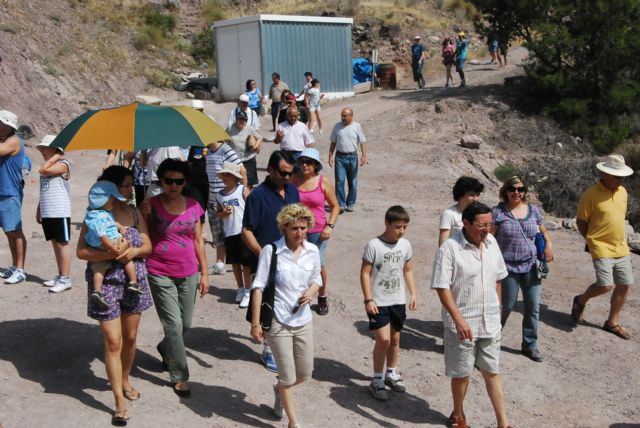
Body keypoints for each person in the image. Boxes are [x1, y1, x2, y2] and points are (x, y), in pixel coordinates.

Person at [77, 165, 153, 426]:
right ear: (111, 189)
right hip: (106, 282)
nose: (131, 189)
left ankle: (124, 378)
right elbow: (81, 252)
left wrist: (132, 253)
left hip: (133, 281)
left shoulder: (134, 212)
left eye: (132, 184)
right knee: (113, 340)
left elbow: (148, 245)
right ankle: (119, 401)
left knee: (130, 338)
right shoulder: (95, 215)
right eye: (126, 185)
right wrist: (109, 254)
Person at [431, 202, 511, 428]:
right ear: (465, 223)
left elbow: (498, 278)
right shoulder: (449, 249)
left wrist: (498, 308)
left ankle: (503, 423)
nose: (487, 229)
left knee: (492, 372)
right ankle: (458, 413)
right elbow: (441, 287)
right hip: (463, 324)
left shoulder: (492, 242)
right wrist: (458, 319)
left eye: (490, 224)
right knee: (462, 374)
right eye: (482, 225)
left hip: (490, 322)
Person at [249, 203, 322, 427]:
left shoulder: (313, 251)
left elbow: (317, 280)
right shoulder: (271, 251)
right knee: (288, 377)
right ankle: (293, 421)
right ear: (284, 228)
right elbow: (258, 286)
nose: (299, 233)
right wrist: (255, 323)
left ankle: (279, 388)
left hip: (303, 320)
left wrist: (310, 293)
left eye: (303, 228)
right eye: (294, 228)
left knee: (305, 374)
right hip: (279, 320)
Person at [144, 158, 209, 397]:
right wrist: (141, 213)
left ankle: (165, 347)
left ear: (185, 182)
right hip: (159, 271)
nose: (173, 185)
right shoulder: (150, 205)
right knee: (173, 325)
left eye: (178, 181)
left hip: (189, 272)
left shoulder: (194, 206)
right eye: (168, 181)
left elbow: (198, 240)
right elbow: (139, 233)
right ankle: (180, 375)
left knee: (186, 324)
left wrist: (204, 273)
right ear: (160, 181)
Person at [242, 150, 300, 372]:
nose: (288, 177)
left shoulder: (293, 191)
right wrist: (263, 255)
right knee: (268, 305)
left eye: (291, 173)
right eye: (284, 173)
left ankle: (284, 342)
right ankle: (268, 347)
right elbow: (246, 231)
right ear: (271, 170)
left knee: (289, 302)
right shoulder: (257, 196)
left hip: (292, 260)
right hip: (267, 261)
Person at [572, 155, 635, 340]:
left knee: (624, 285)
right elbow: (581, 221)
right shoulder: (590, 194)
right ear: (605, 173)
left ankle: (612, 322)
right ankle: (580, 300)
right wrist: (591, 241)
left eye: (622, 177)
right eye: (617, 176)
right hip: (600, 246)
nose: (620, 180)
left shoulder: (622, 192)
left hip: (620, 246)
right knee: (605, 285)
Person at [492, 176, 554, 362]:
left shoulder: (533, 211)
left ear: (525, 191)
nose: (516, 192)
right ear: (506, 191)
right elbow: (489, 238)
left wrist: (549, 243)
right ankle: (491, 341)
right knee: (506, 306)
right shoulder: (497, 212)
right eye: (512, 189)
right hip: (507, 267)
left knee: (533, 307)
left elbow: (543, 231)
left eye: (520, 189)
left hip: (531, 266)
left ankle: (530, 345)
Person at [360, 205, 417, 400]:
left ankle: (391, 373)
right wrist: (368, 299)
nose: (401, 231)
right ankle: (377, 379)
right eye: (397, 227)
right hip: (378, 301)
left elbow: (407, 270)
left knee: (395, 340)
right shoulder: (374, 245)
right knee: (383, 340)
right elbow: (365, 273)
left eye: (404, 227)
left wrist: (413, 293)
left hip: (398, 300)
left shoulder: (405, 245)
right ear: (387, 223)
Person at [293, 148, 340, 315]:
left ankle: (322, 296)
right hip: (296, 230)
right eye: (302, 162)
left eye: (309, 162)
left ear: (316, 165)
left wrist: (330, 225)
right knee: (297, 263)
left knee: (318, 265)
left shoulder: (323, 181)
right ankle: (301, 295)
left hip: (318, 230)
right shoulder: (294, 180)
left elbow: (335, 206)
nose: (305, 165)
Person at [84, 181, 143, 310]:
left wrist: (120, 226)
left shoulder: (93, 213)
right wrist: (112, 248)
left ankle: (97, 291)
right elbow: (103, 235)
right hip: (110, 242)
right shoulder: (101, 216)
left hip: (96, 246)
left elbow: (111, 223)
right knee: (127, 258)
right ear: (105, 200)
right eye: (113, 200)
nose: (115, 203)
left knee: (99, 268)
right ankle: (133, 282)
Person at [36, 134, 72, 292]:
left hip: (60, 210)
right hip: (48, 210)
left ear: (55, 150)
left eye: (45, 148)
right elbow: (44, 190)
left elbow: (43, 170)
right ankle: (60, 275)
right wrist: (39, 209)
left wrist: (57, 156)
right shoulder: (48, 167)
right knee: (55, 243)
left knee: (63, 243)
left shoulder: (63, 164)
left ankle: (65, 279)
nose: (42, 151)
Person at [206, 139, 246, 275]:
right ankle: (220, 264)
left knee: (231, 232)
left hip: (228, 198)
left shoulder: (225, 150)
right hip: (214, 198)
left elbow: (242, 169)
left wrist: (242, 193)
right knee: (218, 234)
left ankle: (239, 264)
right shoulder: (208, 152)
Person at [215, 162, 252, 308]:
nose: (225, 177)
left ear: (235, 177)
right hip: (229, 232)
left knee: (246, 264)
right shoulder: (219, 195)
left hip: (243, 231)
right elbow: (218, 214)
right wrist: (223, 213)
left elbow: (251, 208)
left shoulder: (243, 190)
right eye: (223, 175)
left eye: (228, 175)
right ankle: (240, 288)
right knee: (235, 262)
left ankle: (249, 291)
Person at [0, 109, 27, 284]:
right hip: (3, 192)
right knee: (8, 232)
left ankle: (20, 269)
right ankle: (14, 266)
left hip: (10, 193)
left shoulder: (14, 141)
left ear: (8, 126)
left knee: (15, 232)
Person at [328, 108, 367, 213]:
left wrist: (364, 155)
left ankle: (350, 203)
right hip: (340, 157)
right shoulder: (337, 126)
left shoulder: (357, 126)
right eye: (342, 115)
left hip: (353, 157)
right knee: (340, 181)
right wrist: (330, 155)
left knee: (353, 182)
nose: (343, 117)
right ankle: (341, 203)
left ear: (351, 116)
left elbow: (362, 141)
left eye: (345, 115)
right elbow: (333, 142)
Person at [438, 176, 484, 246]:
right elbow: (443, 244)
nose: (475, 199)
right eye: (471, 195)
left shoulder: (479, 214)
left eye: (477, 195)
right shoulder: (449, 214)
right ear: (461, 194)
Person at [226, 110, 263, 189]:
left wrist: (256, 146)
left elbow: (260, 138)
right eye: (240, 119)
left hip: (249, 159)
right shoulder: (230, 129)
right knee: (235, 182)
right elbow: (224, 140)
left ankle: (247, 198)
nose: (242, 122)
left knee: (249, 183)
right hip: (235, 160)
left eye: (244, 120)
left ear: (246, 121)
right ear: (236, 120)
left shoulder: (249, 128)